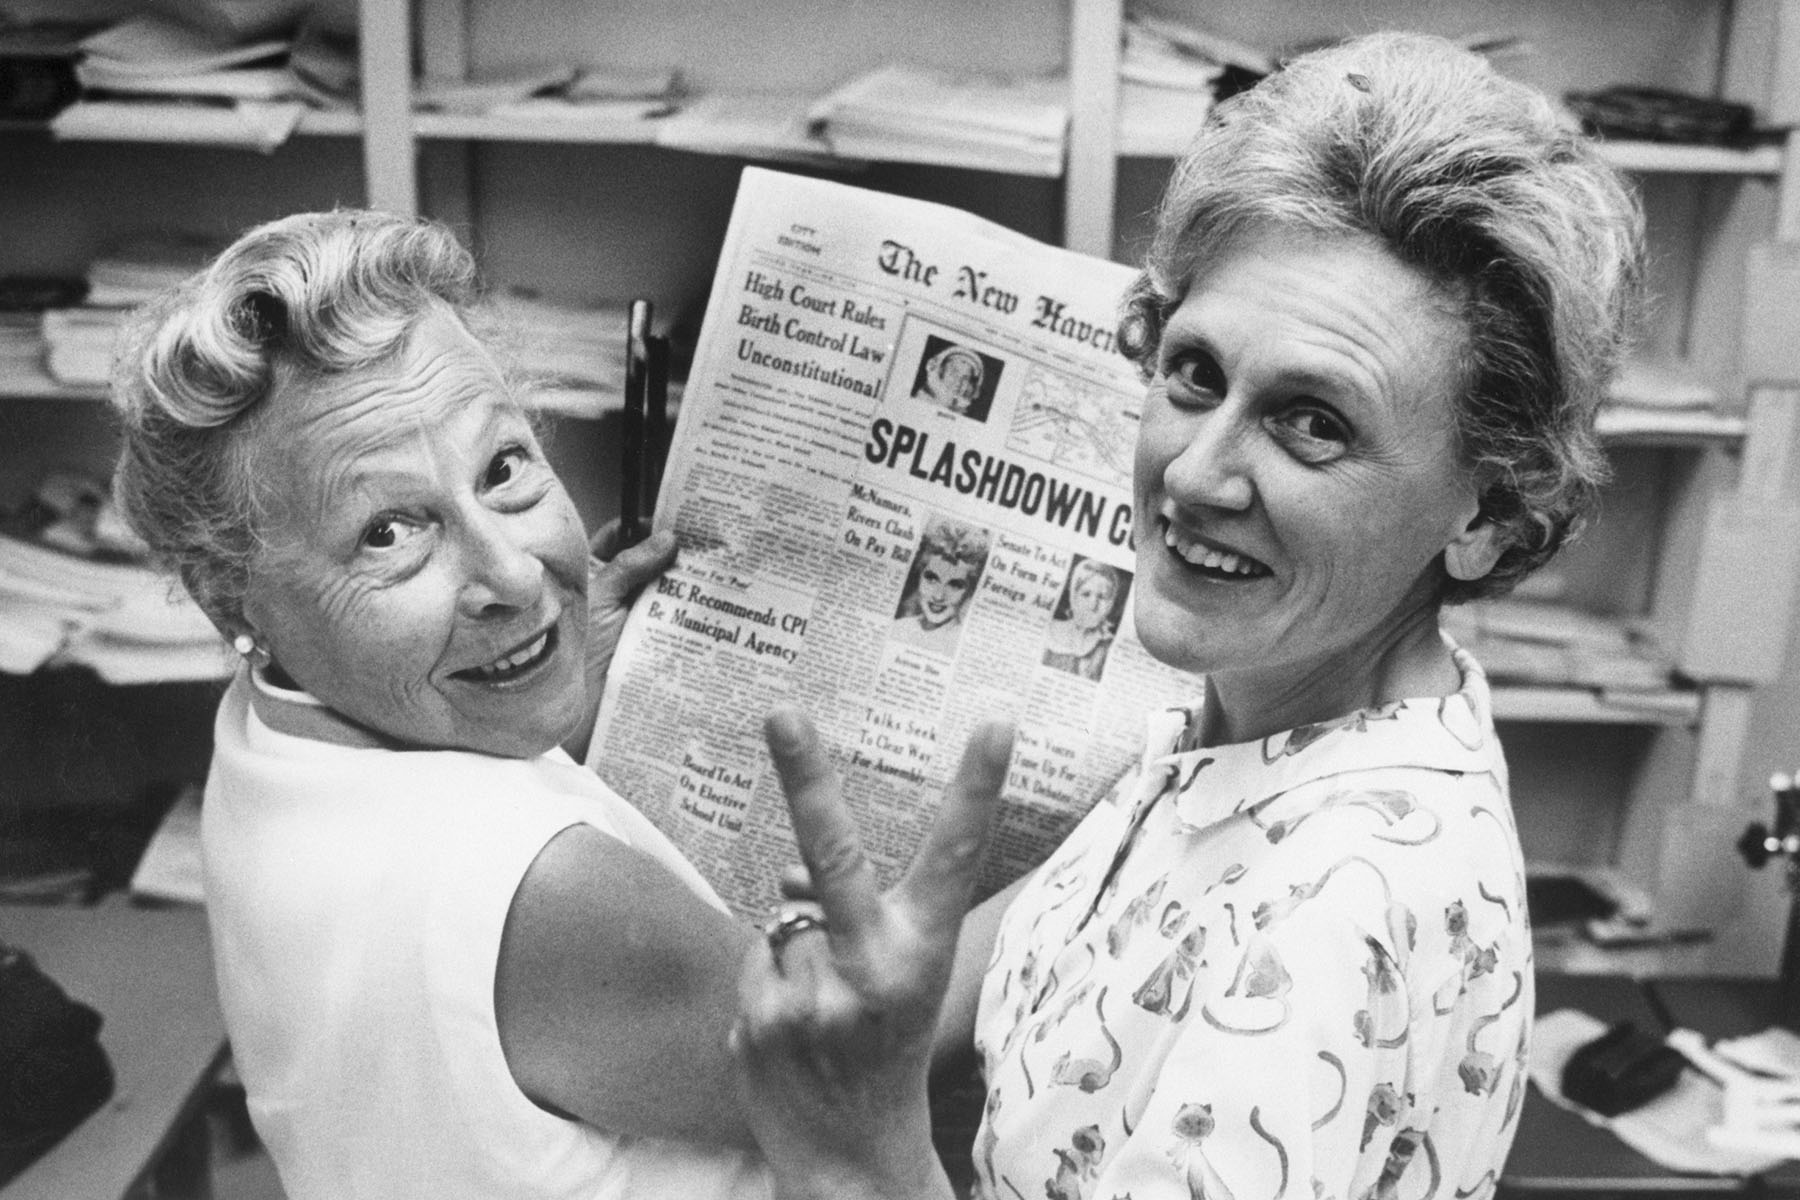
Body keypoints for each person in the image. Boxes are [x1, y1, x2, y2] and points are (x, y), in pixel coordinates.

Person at [730, 30, 1643, 1200]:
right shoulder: (1263, 730)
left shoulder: (1330, 914)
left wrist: (856, 1152)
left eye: (1315, 422)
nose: (1196, 476)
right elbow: (976, 970)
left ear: (1493, 517)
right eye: (1196, 375)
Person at [109, 209, 781, 1200]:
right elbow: (870, 1065)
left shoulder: (270, 724)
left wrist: (546, 670)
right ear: (231, 599)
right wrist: (1093, 860)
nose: (515, 573)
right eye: (389, 532)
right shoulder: (549, 892)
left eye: (503, 469)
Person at [890, 519, 990, 655]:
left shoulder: (963, 644)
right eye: (931, 578)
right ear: (920, 575)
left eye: (955, 585)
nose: (938, 596)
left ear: (969, 592)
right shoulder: (898, 627)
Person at [1040, 559, 1121, 680]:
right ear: (1074, 596)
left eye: (1102, 597)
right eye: (1086, 594)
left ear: (1111, 603)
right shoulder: (1049, 630)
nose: (1093, 605)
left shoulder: (1109, 646)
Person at [912, 343, 985, 415]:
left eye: (965, 377)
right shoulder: (920, 403)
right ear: (940, 371)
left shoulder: (959, 413)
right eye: (954, 372)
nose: (959, 381)